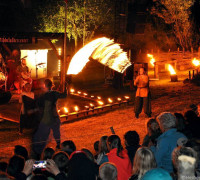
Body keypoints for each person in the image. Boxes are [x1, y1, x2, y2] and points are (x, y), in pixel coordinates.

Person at [32, 79, 67, 157]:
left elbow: (38, 104)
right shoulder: (55, 93)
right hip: (54, 116)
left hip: (47, 117)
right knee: (56, 132)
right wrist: (65, 86)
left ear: (45, 85)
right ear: (52, 85)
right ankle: (58, 145)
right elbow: (64, 95)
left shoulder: (43, 95)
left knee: (44, 133)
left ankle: (39, 150)